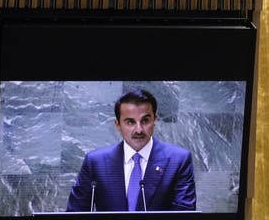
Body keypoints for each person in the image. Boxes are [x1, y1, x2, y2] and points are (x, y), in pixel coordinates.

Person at [67, 88, 197, 212]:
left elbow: (184, 213)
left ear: (155, 120)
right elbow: (75, 212)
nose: (139, 130)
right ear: (117, 125)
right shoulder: (96, 162)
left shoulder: (178, 160)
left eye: (145, 121)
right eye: (130, 122)